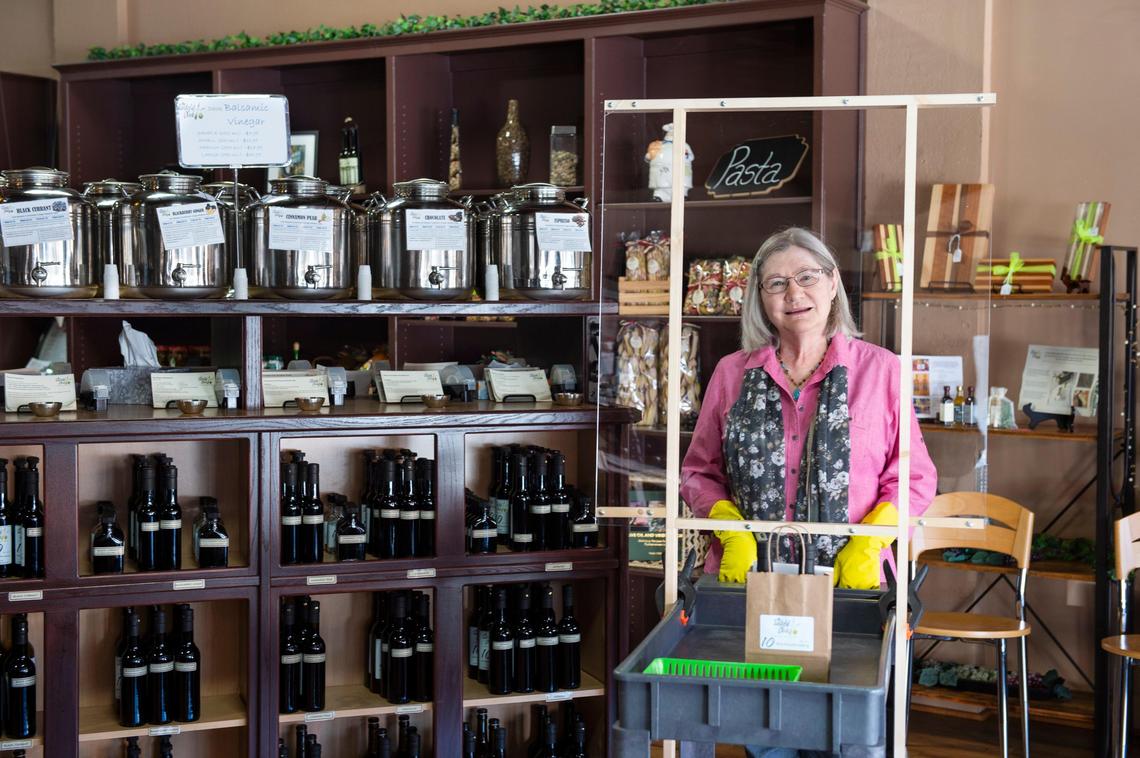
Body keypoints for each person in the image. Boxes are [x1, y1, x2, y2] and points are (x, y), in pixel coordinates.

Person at [680, 227, 937, 756]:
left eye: (806, 277)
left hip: (854, 591)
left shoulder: (881, 371)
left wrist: (871, 542)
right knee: (766, 731)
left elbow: (913, 476)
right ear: (760, 297)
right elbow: (699, 472)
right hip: (756, 587)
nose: (793, 293)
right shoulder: (731, 374)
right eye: (776, 283)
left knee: (848, 735)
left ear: (833, 282)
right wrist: (731, 530)